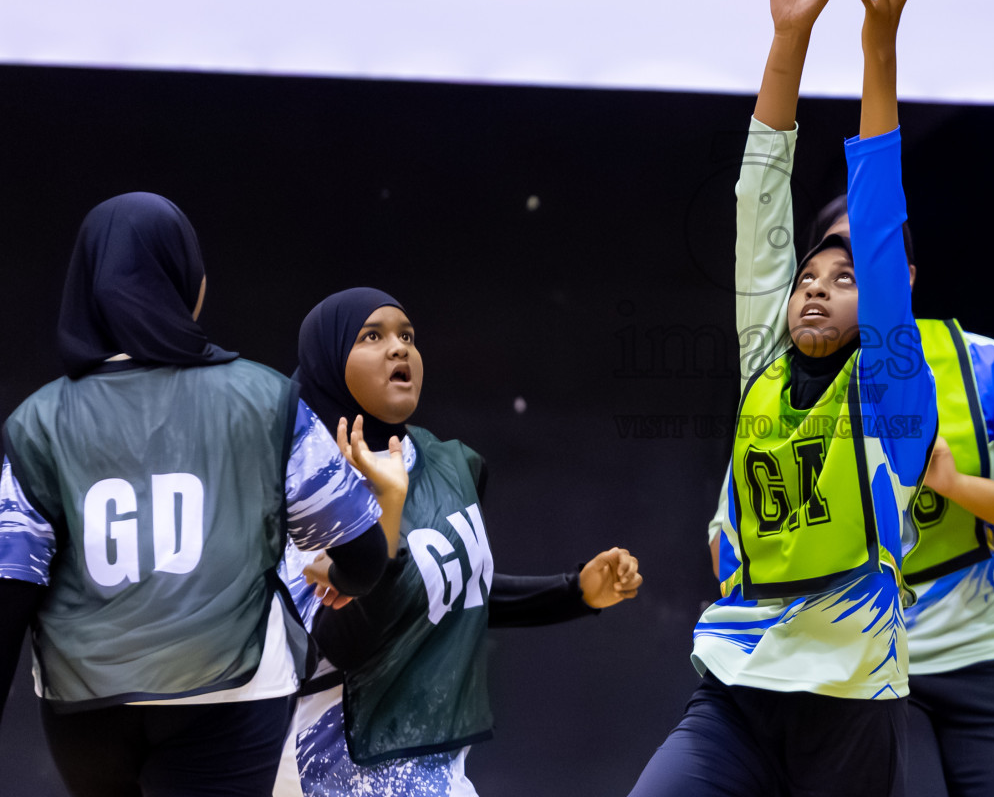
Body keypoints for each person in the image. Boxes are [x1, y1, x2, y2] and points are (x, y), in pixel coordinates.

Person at [627, 0, 935, 797]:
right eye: (808, 273)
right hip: (737, 684)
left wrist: (878, 52)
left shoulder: (891, 392)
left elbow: (876, 224)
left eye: (842, 280)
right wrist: (788, 36)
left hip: (849, 698)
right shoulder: (765, 357)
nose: (814, 286)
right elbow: (759, 194)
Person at [0, 192, 390, 797]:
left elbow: (8, 594)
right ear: (190, 283)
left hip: (85, 707)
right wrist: (344, 577)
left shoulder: (37, 422)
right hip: (231, 696)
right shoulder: (266, 400)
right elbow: (364, 555)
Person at [274, 287, 643, 797]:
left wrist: (573, 591)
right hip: (339, 757)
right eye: (372, 336)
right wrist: (385, 516)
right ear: (329, 358)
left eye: (406, 335)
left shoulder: (443, 462)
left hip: (428, 759)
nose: (399, 348)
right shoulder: (304, 479)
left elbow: (443, 591)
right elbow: (341, 642)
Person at [806, 196, 994, 796]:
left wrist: (956, 485)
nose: (857, 277)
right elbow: (729, 544)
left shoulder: (985, 364)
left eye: (877, 263)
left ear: (906, 278)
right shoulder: (786, 388)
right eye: (839, 266)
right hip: (865, 667)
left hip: (981, 651)